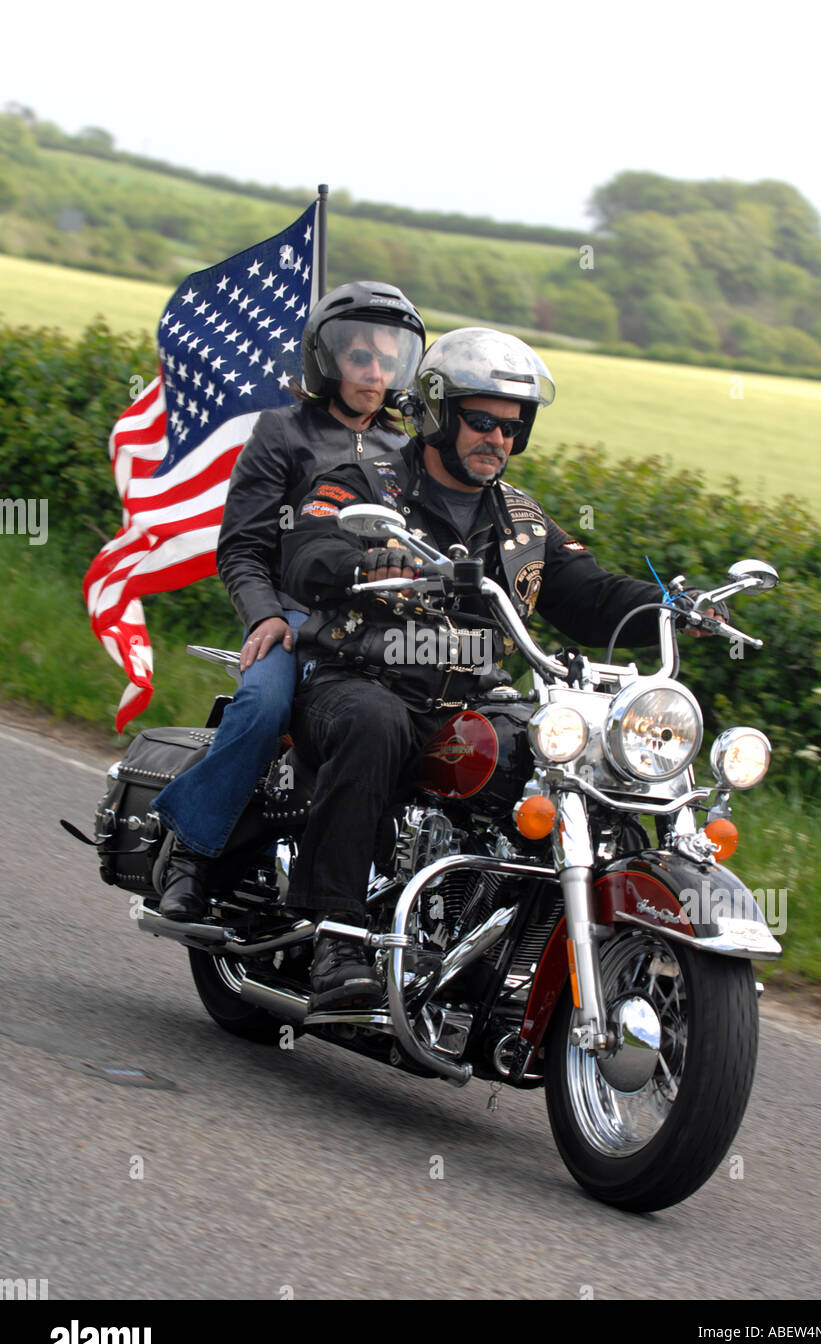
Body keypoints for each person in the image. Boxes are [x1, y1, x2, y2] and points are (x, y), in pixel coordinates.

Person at [279, 327, 723, 1011]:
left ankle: (576, 942)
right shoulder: (364, 483)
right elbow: (306, 553)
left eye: (513, 428)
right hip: (358, 682)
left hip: (469, 703)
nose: (498, 439)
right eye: (481, 421)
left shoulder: (522, 522)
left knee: (584, 758)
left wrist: (671, 605)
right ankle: (337, 933)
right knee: (375, 724)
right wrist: (366, 563)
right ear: (438, 414)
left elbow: (592, 595)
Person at [152, 281, 426, 920]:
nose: (375, 372)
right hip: (293, 614)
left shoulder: (405, 452)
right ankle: (190, 852)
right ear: (326, 361)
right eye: (360, 357)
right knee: (265, 701)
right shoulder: (283, 432)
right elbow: (242, 548)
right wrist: (266, 615)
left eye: (388, 359)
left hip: (379, 628)